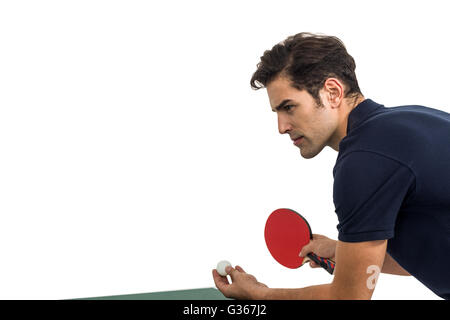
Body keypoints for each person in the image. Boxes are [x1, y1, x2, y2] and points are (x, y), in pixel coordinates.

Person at [212, 32, 450, 300]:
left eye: (289, 107)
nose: (281, 127)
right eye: (277, 112)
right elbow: (427, 255)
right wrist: (344, 252)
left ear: (333, 92)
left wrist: (261, 294)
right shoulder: (416, 121)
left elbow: (347, 298)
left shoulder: (363, 161)